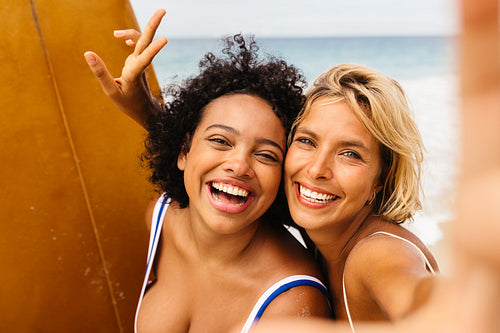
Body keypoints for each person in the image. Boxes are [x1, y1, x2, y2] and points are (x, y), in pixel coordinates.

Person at [85, 9, 331, 333]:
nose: (239, 165)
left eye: (267, 155)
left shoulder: (293, 303)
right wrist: (144, 108)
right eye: (220, 140)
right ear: (183, 151)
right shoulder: (161, 219)